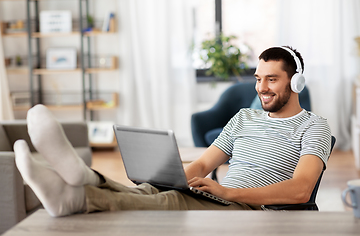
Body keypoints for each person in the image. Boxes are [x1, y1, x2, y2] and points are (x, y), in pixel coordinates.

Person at [14, 46, 331, 217]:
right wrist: (179, 179)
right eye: (258, 78)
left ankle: (78, 192)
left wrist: (228, 192)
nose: (261, 87)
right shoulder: (244, 116)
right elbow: (205, 164)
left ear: (296, 82)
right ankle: (81, 183)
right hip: (220, 199)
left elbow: (301, 190)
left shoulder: (313, 126)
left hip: (249, 208)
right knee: (156, 191)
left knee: (170, 205)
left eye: (271, 79)